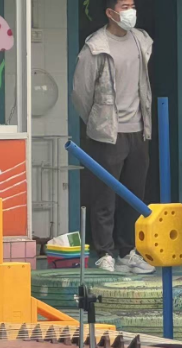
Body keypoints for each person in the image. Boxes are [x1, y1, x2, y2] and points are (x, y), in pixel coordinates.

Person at [72, 0, 155, 274]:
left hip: (139, 129)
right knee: (104, 195)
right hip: (108, 133)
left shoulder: (141, 40)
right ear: (110, 13)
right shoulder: (96, 46)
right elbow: (81, 94)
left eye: (132, 5)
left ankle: (127, 250)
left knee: (134, 194)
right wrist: (99, 121)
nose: (131, 10)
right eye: (124, 6)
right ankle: (104, 252)